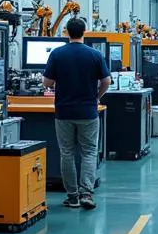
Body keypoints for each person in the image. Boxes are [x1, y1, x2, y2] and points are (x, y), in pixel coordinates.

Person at [43, 16, 111, 210]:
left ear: (66, 32)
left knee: (67, 153)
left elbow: (46, 83)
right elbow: (106, 81)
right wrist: (97, 97)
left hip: (63, 112)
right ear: (84, 32)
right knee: (89, 152)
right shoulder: (94, 55)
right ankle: (86, 194)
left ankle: (72, 196)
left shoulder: (57, 54)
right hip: (88, 112)